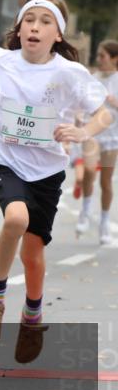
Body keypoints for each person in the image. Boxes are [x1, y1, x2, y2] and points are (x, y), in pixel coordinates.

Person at [0, 0, 111, 364]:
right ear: (19, 28)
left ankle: (32, 315)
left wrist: (83, 132)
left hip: (47, 171)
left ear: (58, 34)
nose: (35, 27)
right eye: (29, 20)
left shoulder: (68, 73)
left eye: (44, 22)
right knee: (16, 218)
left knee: (34, 254)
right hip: (6, 161)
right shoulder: (3, 60)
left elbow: (103, 114)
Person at [76, 39, 118, 244]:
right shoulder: (92, 78)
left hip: (112, 137)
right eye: (98, 55)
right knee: (90, 170)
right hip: (92, 133)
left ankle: (103, 223)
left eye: (103, 56)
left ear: (114, 58)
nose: (99, 59)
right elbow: (81, 102)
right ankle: (84, 211)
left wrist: (113, 102)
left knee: (106, 182)